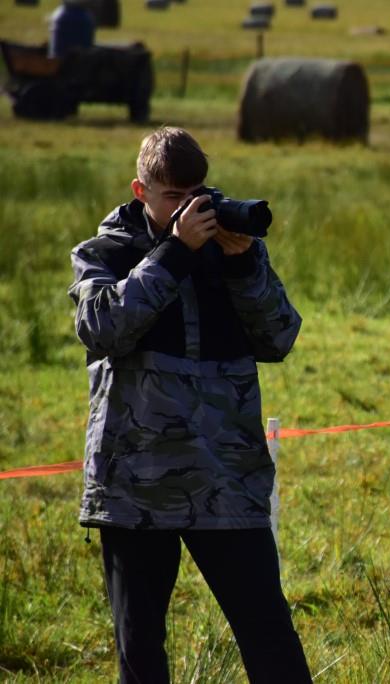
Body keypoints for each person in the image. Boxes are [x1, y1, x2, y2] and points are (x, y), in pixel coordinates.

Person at [67, 126, 311, 684]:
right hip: (135, 484)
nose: (190, 206)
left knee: (269, 633)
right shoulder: (103, 254)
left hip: (226, 474)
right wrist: (174, 253)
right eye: (173, 196)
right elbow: (101, 329)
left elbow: (279, 339)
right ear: (140, 192)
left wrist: (245, 266)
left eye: (195, 192)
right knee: (141, 648)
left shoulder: (231, 249)